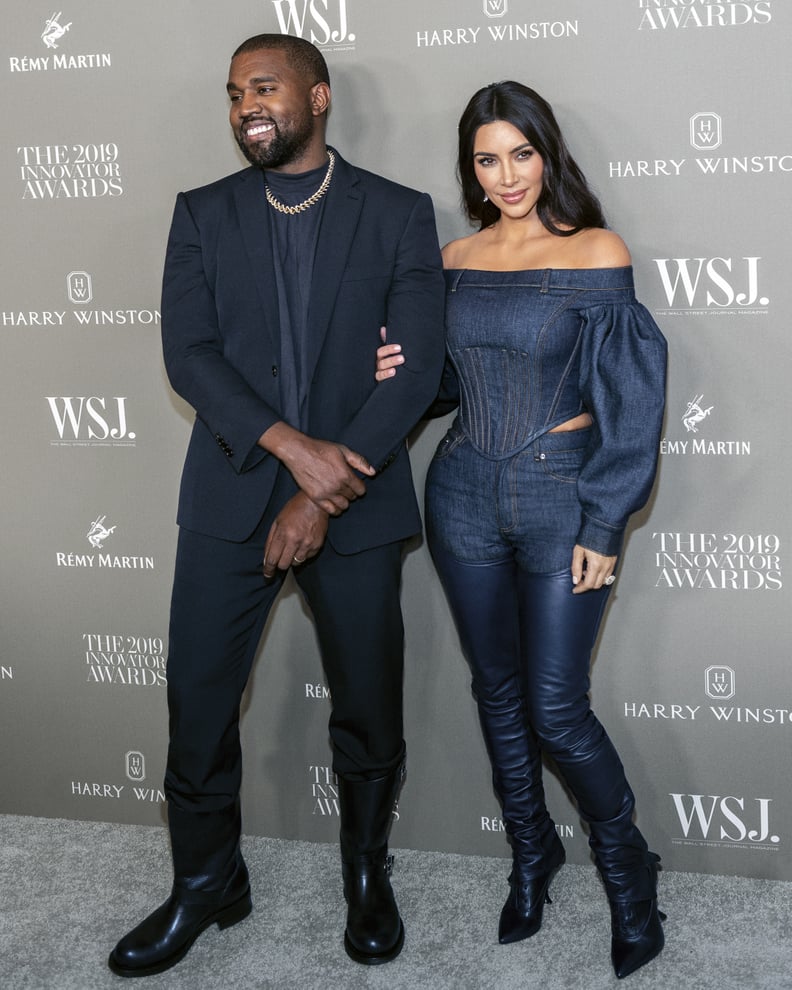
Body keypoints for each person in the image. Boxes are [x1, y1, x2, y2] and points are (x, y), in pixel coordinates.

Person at [108, 33, 445, 977]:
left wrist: (324, 497)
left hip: (359, 504)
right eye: (232, 93)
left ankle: (366, 876)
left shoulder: (397, 213)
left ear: (319, 95)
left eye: (263, 86)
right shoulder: (202, 214)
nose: (245, 104)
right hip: (229, 494)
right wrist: (296, 454)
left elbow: (413, 370)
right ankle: (206, 880)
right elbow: (193, 357)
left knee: (369, 706)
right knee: (199, 701)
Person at [376, 81, 667, 980]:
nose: (506, 175)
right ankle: (531, 855)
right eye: (486, 158)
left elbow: (631, 400)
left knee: (555, 706)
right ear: (472, 166)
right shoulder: (453, 255)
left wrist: (605, 520)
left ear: (549, 153)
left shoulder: (596, 252)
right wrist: (398, 367)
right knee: (495, 692)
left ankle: (629, 871)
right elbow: (449, 384)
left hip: (560, 497)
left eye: (521, 153)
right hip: (460, 490)